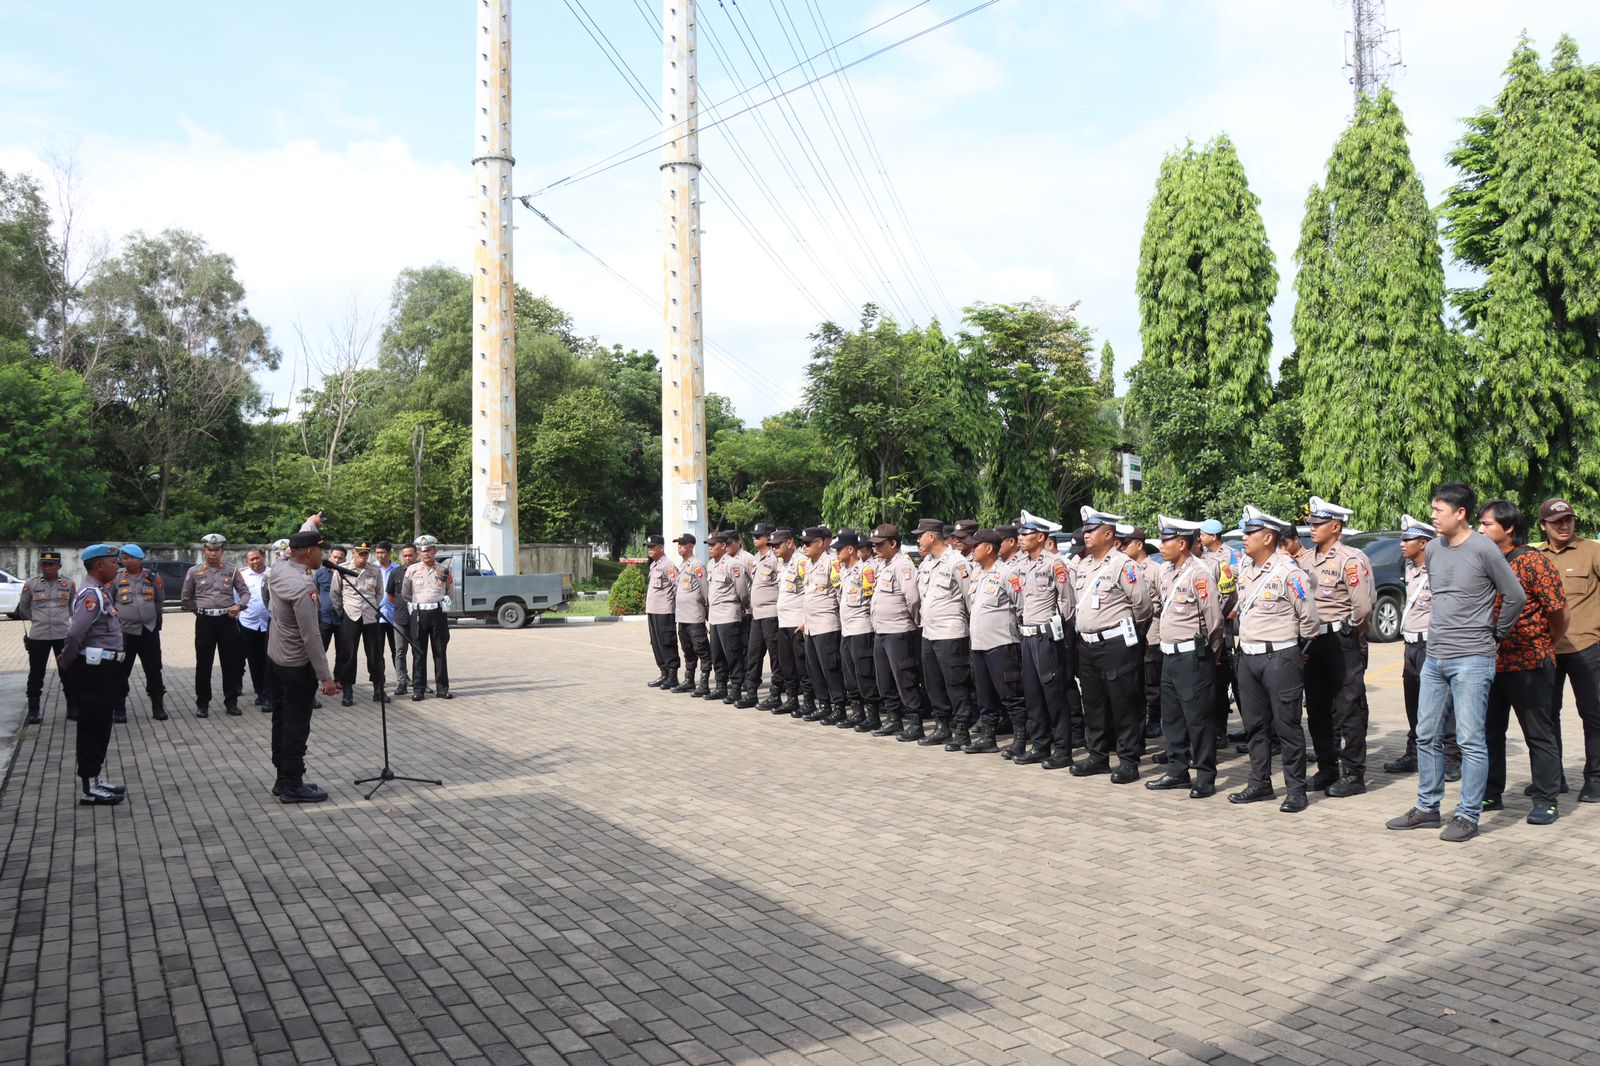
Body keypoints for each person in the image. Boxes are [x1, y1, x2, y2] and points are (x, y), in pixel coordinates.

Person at [1386, 482, 1526, 843]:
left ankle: (1467, 815)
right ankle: (1427, 807)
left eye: (1439, 510)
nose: (1433, 516)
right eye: (1433, 509)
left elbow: (1515, 596)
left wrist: (1496, 634)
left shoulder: (1484, 549)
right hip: (1435, 657)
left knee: (1470, 740)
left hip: (1473, 659)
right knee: (1426, 734)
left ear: (1460, 513)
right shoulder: (1434, 549)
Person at [1477, 501, 1566, 824]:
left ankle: (1546, 799)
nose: (1480, 530)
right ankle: (1491, 792)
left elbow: (1558, 612)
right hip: (1492, 662)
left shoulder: (1532, 562)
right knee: (1490, 732)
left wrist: (1544, 643)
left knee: (1538, 734)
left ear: (1509, 527)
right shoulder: (1488, 560)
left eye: (1486, 524)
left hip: (1529, 663)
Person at [1228, 509, 1320, 813]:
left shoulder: (1289, 572)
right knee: (1255, 726)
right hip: (1248, 657)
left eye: (1249, 533)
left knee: (1287, 726)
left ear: (1267, 538)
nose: (1244, 538)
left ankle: (1296, 790)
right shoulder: (1246, 569)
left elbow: (1309, 619)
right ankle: (1260, 783)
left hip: (1280, 657)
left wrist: (1294, 649)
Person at [1070, 506, 1153, 782]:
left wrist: (1127, 634)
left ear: (1108, 535)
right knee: (1093, 703)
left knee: (1124, 702)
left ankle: (1128, 761)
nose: (1086, 534)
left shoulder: (1123, 565)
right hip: (1088, 645)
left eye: (1092, 530)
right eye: (1085, 529)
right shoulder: (1084, 566)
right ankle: (1097, 756)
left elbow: (1142, 605)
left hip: (1116, 643)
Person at [1301, 496, 1376, 797]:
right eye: (1311, 523)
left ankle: (1354, 774)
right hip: (1312, 640)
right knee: (1317, 707)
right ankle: (1326, 768)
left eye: (1318, 524)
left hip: (1341, 638)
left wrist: (1353, 634)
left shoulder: (1350, 559)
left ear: (1335, 526)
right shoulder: (1305, 560)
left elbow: (1363, 607)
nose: (1312, 528)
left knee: (1349, 707)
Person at [1147, 517, 1225, 797]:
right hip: (1169, 655)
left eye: (1165, 540)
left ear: (1181, 544)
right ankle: (1177, 771)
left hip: (1193, 656)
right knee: (1172, 718)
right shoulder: (1165, 571)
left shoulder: (1199, 574)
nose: (1161, 545)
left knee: (1198, 719)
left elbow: (1214, 620)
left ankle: (1205, 776)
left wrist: (1211, 652)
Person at [266, 527, 342, 803]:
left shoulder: (279, 568)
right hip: (297, 667)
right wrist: (325, 677)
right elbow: (311, 636)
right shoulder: (303, 587)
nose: (323, 554)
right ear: (310, 552)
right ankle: (292, 784)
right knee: (296, 726)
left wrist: (310, 524)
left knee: (281, 720)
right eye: (321, 549)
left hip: (276, 659)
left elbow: (291, 548)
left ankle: (282, 778)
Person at [1384, 516, 1462, 776]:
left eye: (1408, 539)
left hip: (1432, 643)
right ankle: (1415, 753)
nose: (1402, 544)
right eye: (1402, 538)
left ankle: (1451, 758)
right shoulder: (1410, 567)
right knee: (1413, 702)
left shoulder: (1440, 569)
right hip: (1411, 644)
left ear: (1424, 543)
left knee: (1444, 704)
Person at [1537, 497, 1600, 801]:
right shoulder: (1536, 556)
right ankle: (1554, 778)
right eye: (1556, 521)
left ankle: (1595, 778)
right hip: (1547, 650)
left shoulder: (1592, 551)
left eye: (1568, 520)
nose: (1564, 526)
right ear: (1543, 525)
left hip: (1587, 646)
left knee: (1593, 714)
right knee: (1547, 716)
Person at [62, 544, 127, 806]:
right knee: (92, 727)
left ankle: (95, 778)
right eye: (113, 562)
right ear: (99, 565)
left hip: (104, 670)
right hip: (93, 671)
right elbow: (75, 633)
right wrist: (66, 661)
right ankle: (89, 788)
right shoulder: (91, 594)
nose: (117, 566)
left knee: (101, 725)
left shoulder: (100, 592)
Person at [1009, 516, 1076, 766]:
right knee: (1033, 694)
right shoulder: (1021, 565)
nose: (1020, 538)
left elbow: (1067, 601)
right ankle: (1040, 745)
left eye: (1026, 534)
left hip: (1046, 637)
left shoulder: (1055, 564)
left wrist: (1059, 630)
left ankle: (1063, 750)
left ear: (1040, 537)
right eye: (1020, 534)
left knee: (1054, 694)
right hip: (1027, 636)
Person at [913, 518, 977, 749]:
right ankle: (942, 726)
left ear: (931, 536)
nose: (918, 540)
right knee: (933, 683)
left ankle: (961, 730)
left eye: (920, 535)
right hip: (929, 632)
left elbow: (971, 598)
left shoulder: (957, 563)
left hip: (951, 632)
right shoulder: (927, 563)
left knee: (955, 684)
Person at [965, 529, 1025, 756]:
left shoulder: (1007, 573)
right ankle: (988, 738)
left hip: (1002, 644)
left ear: (989, 548)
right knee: (984, 695)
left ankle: (1020, 739)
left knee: (1011, 695)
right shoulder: (977, 573)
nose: (972, 550)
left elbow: (1021, 606)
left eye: (976, 546)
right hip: (979, 645)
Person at [181, 533, 250, 718]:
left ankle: (231, 703)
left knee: (230, 664)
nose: (213, 553)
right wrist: (200, 612)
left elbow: (245, 592)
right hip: (205, 622)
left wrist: (239, 606)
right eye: (209, 550)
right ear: (204, 551)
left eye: (217, 550)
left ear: (222, 551)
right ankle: (202, 704)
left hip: (227, 621)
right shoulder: (194, 571)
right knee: (203, 664)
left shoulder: (232, 570)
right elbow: (186, 597)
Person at [868, 524, 924, 741]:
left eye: (879, 544)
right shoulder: (884, 565)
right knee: (884, 678)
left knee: (905, 678)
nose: (875, 549)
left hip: (899, 630)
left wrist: (914, 623)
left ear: (893, 544)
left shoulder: (903, 565)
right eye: (873, 545)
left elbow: (913, 599)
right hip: (882, 631)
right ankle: (894, 718)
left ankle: (916, 722)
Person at [19, 550, 78, 724]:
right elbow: (24, 607)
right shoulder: (31, 584)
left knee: (67, 671)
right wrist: (38, 620)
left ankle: (73, 708)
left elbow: (73, 606)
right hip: (39, 635)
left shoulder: (68, 583)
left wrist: (62, 620)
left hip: (62, 634)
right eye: (44, 564)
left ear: (59, 566)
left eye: (51, 565)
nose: (47, 568)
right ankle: (33, 711)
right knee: (36, 673)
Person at [113, 544, 167, 723]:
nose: (129, 561)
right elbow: (109, 601)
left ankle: (158, 707)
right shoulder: (115, 577)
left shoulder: (152, 577)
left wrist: (153, 618)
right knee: (121, 671)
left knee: (154, 670)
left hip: (148, 631)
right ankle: (119, 709)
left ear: (141, 559)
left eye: (133, 557)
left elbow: (159, 600)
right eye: (125, 558)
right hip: (125, 632)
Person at [833, 529, 880, 732]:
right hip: (847, 629)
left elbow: (871, 601)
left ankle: (873, 715)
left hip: (861, 628)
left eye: (839, 549)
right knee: (850, 674)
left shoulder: (865, 571)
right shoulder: (843, 571)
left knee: (864, 673)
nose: (836, 553)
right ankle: (857, 712)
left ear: (851, 549)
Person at [799, 526, 848, 724]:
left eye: (807, 543)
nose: (804, 546)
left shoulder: (832, 563)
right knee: (814, 668)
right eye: (802, 543)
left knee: (830, 668)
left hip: (827, 624)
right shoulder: (808, 564)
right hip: (811, 626)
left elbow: (840, 593)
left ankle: (839, 707)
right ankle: (824, 705)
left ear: (820, 543)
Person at [332, 542, 388, 705]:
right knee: (348, 654)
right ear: (354, 553)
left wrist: (374, 607)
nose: (363, 556)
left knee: (375, 655)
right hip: (351, 614)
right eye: (360, 553)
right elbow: (335, 593)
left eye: (365, 553)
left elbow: (379, 593)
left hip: (370, 616)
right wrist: (342, 611)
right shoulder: (342, 569)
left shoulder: (374, 570)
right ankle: (347, 691)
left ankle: (379, 689)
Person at [402, 535, 453, 700]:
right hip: (419, 614)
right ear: (418, 553)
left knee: (440, 651)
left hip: (438, 613)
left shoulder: (444, 570)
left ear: (434, 551)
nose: (425, 554)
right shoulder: (412, 570)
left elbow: (450, 592)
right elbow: (405, 593)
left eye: (429, 550)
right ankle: (418, 689)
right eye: (422, 551)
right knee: (418, 653)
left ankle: (442, 689)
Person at [704, 532, 750, 703]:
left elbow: (742, 589)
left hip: (728, 614)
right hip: (715, 616)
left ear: (723, 546)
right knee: (717, 654)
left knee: (732, 653)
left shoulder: (733, 564)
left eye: (713, 545)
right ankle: (720, 686)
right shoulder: (710, 564)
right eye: (708, 545)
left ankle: (736, 687)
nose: (709, 548)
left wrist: (743, 604)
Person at [740, 524, 781, 708]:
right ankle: (751, 692)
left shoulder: (775, 558)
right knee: (753, 654)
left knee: (775, 656)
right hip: (757, 614)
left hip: (771, 614)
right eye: (753, 535)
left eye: (759, 536)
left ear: (769, 537)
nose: (754, 538)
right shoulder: (755, 558)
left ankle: (776, 693)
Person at [773, 528, 811, 716]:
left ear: (789, 543)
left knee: (801, 665)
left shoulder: (801, 562)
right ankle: (792, 699)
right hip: (783, 622)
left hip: (797, 623)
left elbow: (809, 592)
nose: (773, 548)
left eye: (776, 545)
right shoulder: (782, 563)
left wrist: (805, 620)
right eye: (771, 545)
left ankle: (809, 702)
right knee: (787, 664)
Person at [669, 534, 710, 696]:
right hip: (682, 616)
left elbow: (704, 588)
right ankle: (689, 680)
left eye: (683, 544)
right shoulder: (682, 565)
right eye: (678, 544)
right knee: (687, 649)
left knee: (701, 649)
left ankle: (704, 682)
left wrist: (707, 607)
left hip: (694, 615)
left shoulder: (697, 565)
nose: (680, 547)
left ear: (691, 546)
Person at [237, 547, 275, 714]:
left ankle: (269, 694)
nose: (255, 561)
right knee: (254, 661)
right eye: (251, 559)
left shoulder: (273, 573)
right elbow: (236, 597)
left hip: (270, 624)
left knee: (269, 660)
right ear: (246, 562)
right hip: (248, 624)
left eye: (257, 558)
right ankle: (260, 692)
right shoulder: (241, 575)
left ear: (263, 557)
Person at [643, 535, 680, 690]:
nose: (649, 549)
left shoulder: (668, 565)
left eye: (652, 546)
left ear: (661, 548)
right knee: (656, 642)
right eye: (648, 547)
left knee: (666, 641)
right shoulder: (654, 565)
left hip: (664, 611)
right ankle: (664, 673)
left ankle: (672, 676)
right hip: (653, 611)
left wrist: (673, 604)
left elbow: (678, 585)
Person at [373, 541, 403, 693]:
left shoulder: (398, 569)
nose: (380, 555)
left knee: (397, 650)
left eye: (383, 552)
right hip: (376, 616)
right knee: (377, 651)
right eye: (377, 552)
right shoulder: (371, 568)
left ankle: (401, 679)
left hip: (394, 616)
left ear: (389, 553)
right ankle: (380, 680)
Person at [386, 544, 415, 695]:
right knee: (400, 651)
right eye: (405, 555)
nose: (408, 558)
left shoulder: (421, 571)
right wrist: (401, 605)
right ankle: (401, 682)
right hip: (400, 618)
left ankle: (419, 682)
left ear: (416, 555)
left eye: (410, 555)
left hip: (418, 619)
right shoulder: (395, 573)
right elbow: (390, 595)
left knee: (418, 651)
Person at [315, 545, 345, 652]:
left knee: (343, 652)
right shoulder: (320, 573)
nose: (336, 560)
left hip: (342, 618)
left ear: (344, 560)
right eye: (334, 557)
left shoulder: (347, 575)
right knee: (320, 651)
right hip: (324, 618)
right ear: (329, 557)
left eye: (340, 558)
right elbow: (314, 592)